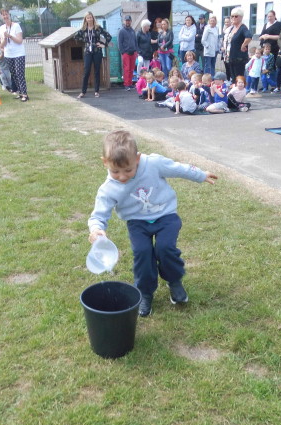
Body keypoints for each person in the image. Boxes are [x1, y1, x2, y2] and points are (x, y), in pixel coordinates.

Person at [88, 130, 217, 317]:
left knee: (165, 249)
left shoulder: (153, 164)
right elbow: (99, 214)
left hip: (166, 216)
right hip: (137, 223)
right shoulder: (108, 189)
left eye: (128, 170)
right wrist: (96, 229)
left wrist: (200, 175)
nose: (122, 176)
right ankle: (145, 293)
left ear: (138, 158)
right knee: (142, 253)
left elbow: (178, 168)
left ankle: (174, 281)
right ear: (105, 162)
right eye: (115, 171)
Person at [75, 11, 112, 99]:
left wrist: (103, 44)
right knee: (86, 70)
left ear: (93, 18)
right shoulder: (84, 29)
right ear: (85, 19)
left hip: (97, 51)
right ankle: (83, 92)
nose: (89, 19)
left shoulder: (98, 28)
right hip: (88, 52)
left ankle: (96, 91)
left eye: (90, 17)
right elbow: (76, 37)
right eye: (88, 18)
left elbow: (108, 36)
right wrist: (85, 41)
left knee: (97, 71)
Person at [0, 9, 28, 102]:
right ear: (1, 16)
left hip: (19, 53)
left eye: (6, 14)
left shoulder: (16, 26)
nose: (5, 16)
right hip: (8, 54)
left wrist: (10, 36)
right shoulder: (1, 28)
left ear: (9, 15)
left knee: (20, 73)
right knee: (14, 74)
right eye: (3, 15)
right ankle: (20, 93)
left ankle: (25, 94)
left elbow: (19, 41)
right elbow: (2, 45)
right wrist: (5, 38)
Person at [225, 7, 251, 80]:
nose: (233, 18)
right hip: (231, 57)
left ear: (241, 17)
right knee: (233, 78)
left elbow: (249, 37)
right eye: (232, 16)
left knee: (239, 78)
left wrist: (243, 45)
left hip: (239, 59)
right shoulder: (232, 28)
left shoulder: (243, 28)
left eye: (236, 16)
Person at [118, 15, 137, 91]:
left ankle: (130, 83)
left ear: (131, 21)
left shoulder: (132, 30)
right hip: (126, 53)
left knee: (132, 69)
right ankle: (126, 84)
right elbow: (119, 43)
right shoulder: (121, 31)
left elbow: (135, 41)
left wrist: (136, 50)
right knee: (126, 69)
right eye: (126, 20)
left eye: (129, 20)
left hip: (133, 52)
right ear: (124, 21)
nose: (127, 22)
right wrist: (122, 52)